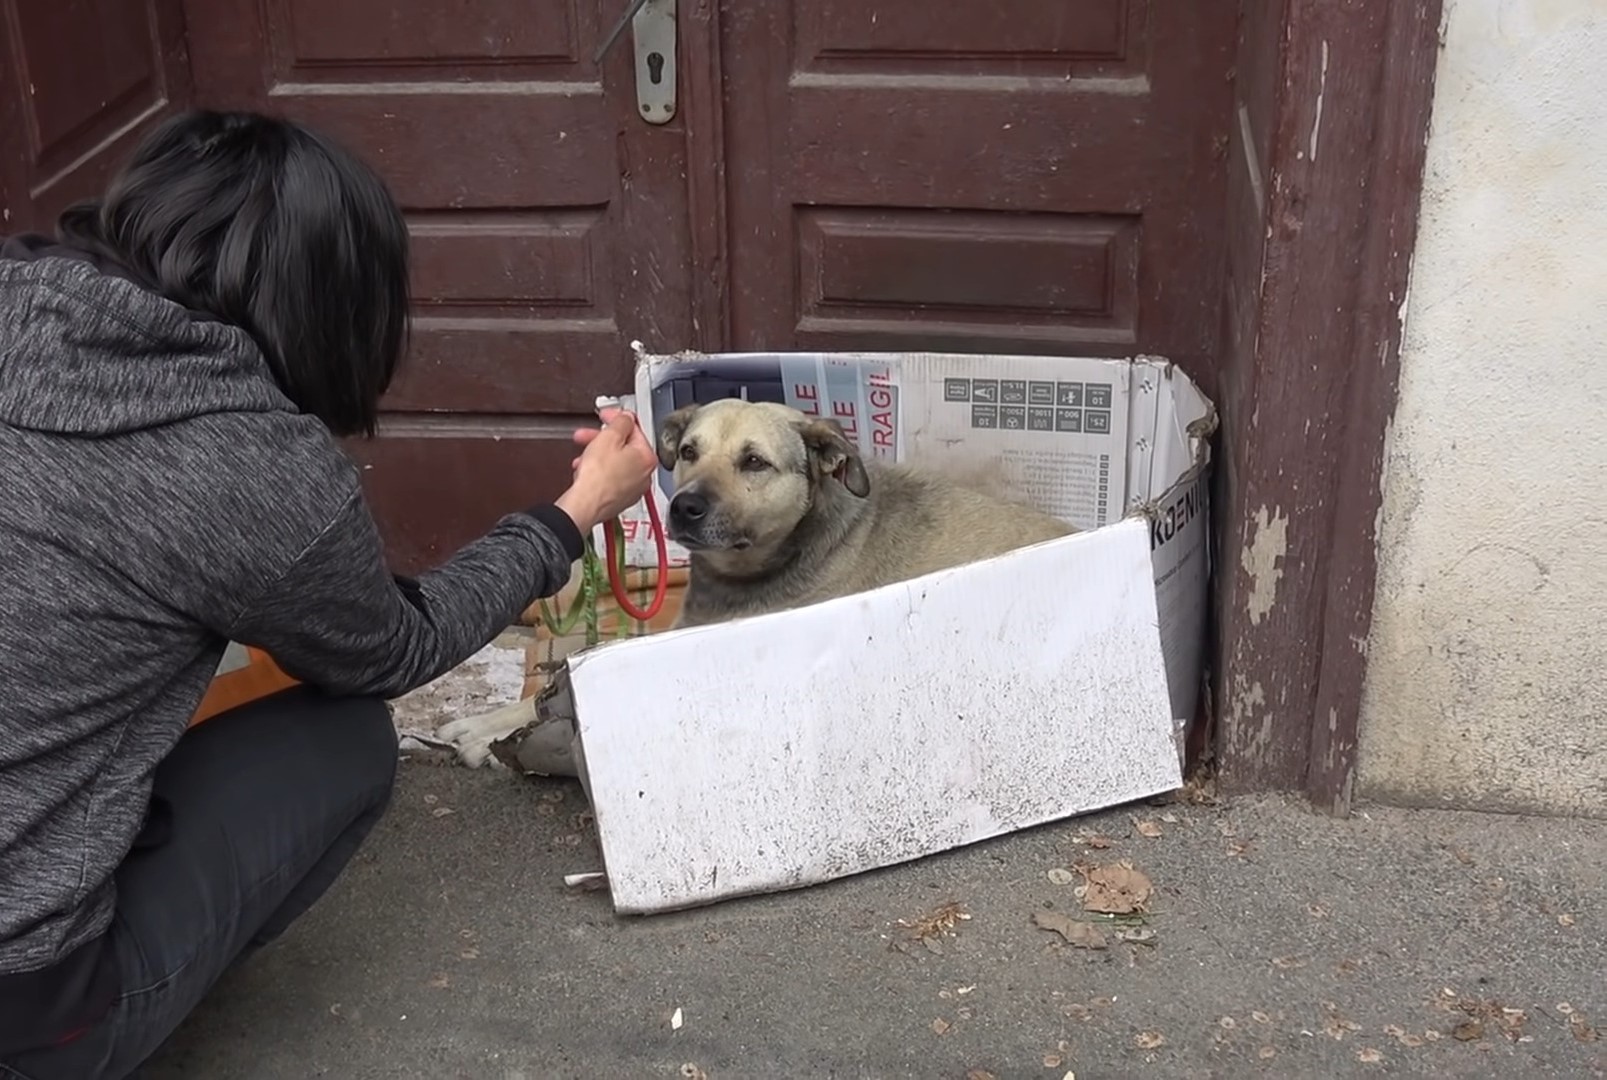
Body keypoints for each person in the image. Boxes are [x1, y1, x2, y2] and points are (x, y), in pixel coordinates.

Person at [0, 109, 656, 1079]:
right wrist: (575, 509)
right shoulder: (244, 461)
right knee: (340, 738)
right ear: (332, 303)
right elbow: (391, 650)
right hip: (28, 1005)